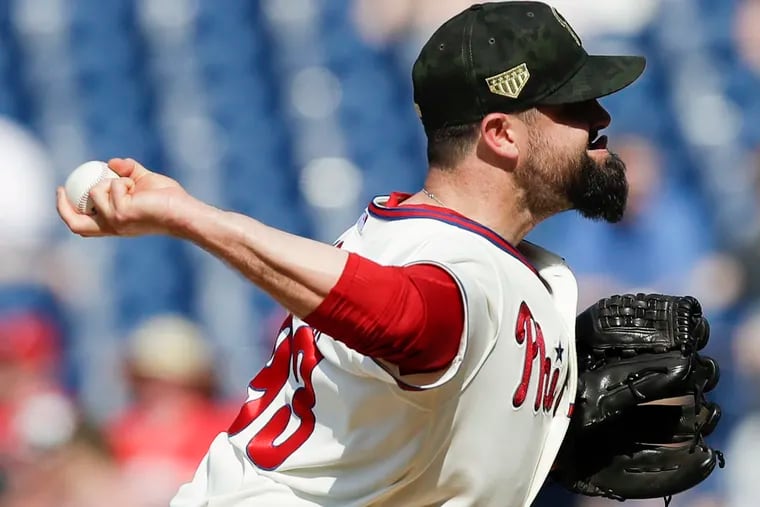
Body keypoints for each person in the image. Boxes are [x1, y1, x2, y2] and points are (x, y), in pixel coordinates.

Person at [56, 2, 646, 506]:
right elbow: (405, 319)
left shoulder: (508, 266)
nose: (601, 118)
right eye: (573, 105)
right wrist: (190, 217)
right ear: (502, 134)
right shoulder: (457, 262)